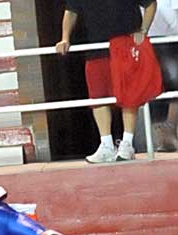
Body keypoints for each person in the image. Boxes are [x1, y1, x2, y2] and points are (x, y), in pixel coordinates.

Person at [56, 0, 158, 163]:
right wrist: (65, 38)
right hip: (95, 48)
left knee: (129, 94)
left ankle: (127, 143)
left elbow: (151, 4)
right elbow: (71, 11)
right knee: (98, 97)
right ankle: (106, 145)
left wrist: (143, 30)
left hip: (125, 45)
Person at [148, 0, 178, 152]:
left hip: (164, 38)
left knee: (170, 86)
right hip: (160, 38)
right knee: (165, 87)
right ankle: (165, 133)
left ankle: (167, 131)